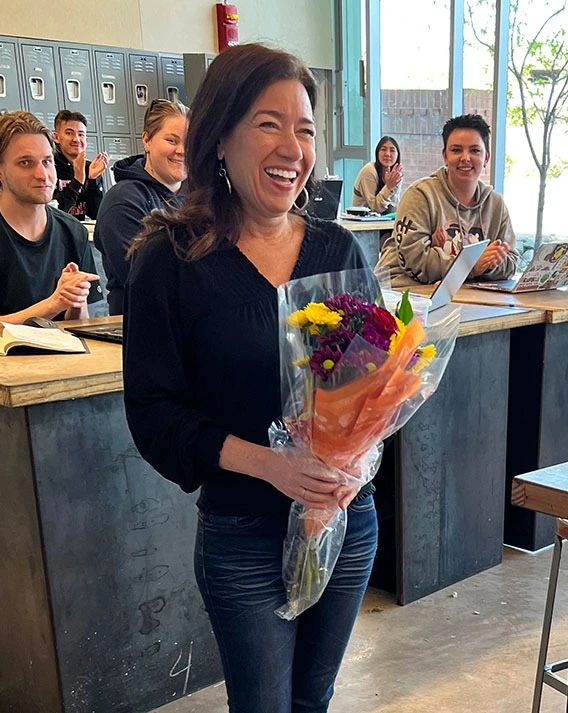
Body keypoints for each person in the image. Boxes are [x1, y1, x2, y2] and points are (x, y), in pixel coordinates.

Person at [122, 44, 377, 713]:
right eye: (269, 123)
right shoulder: (171, 260)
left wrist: (359, 453)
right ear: (221, 137)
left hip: (346, 522)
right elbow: (153, 414)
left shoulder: (339, 251)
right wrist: (271, 465)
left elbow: (373, 385)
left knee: (312, 700)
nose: (293, 147)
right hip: (244, 534)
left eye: (306, 129)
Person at [0, 110, 102, 329]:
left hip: (61, 358)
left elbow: (80, 324)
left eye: (47, 162)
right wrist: (54, 303)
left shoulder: (73, 231)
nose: (42, 174)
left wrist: (73, 300)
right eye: (26, 163)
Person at [376, 113, 517, 287]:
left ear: (486, 157)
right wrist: (471, 266)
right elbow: (414, 260)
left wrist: (488, 266)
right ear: (445, 155)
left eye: (474, 150)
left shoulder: (495, 204)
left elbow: (511, 259)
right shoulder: (420, 196)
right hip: (405, 296)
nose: (465, 158)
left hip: (466, 296)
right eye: (456, 150)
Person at [95, 99, 189, 315]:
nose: (182, 151)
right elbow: (146, 281)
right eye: (172, 140)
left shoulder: (199, 197)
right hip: (144, 325)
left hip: (194, 325)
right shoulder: (123, 202)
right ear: (147, 140)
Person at [52, 109, 110, 220]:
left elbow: (97, 214)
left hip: (79, 232)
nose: (76, 139)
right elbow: (54, 214)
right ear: (56, 137)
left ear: (86, 140)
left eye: (81, 134)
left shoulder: (90, 168)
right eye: (69, 133)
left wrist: (93, 180)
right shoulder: (49, 168)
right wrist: (77, 182)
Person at [351, 135, 402, 213]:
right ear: (377, 152)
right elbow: (375, 209)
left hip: (384, 221)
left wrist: (391, 187)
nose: (388, 154)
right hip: (362, 222)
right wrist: (388, 187)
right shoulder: (369, 171)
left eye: (392, 150)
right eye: (383, 149)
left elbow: (393, 209)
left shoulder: (396, 174)